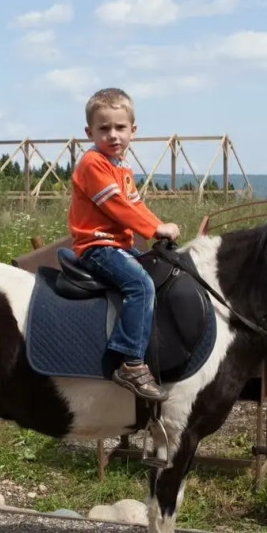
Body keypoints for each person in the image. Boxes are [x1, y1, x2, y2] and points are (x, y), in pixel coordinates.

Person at [69, 88, 180, 400]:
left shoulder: (121, 167)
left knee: (162, 272)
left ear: (134, 130)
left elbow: (136, 205)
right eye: (104, 129)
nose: (113, 135)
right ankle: (129, 362)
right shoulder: (93, 163)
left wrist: (156, 230)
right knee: (140, 286)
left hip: (118, 244)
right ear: (90, 132)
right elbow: (118, 206)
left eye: (120, 127)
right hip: (98, 246)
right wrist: (155, 228)